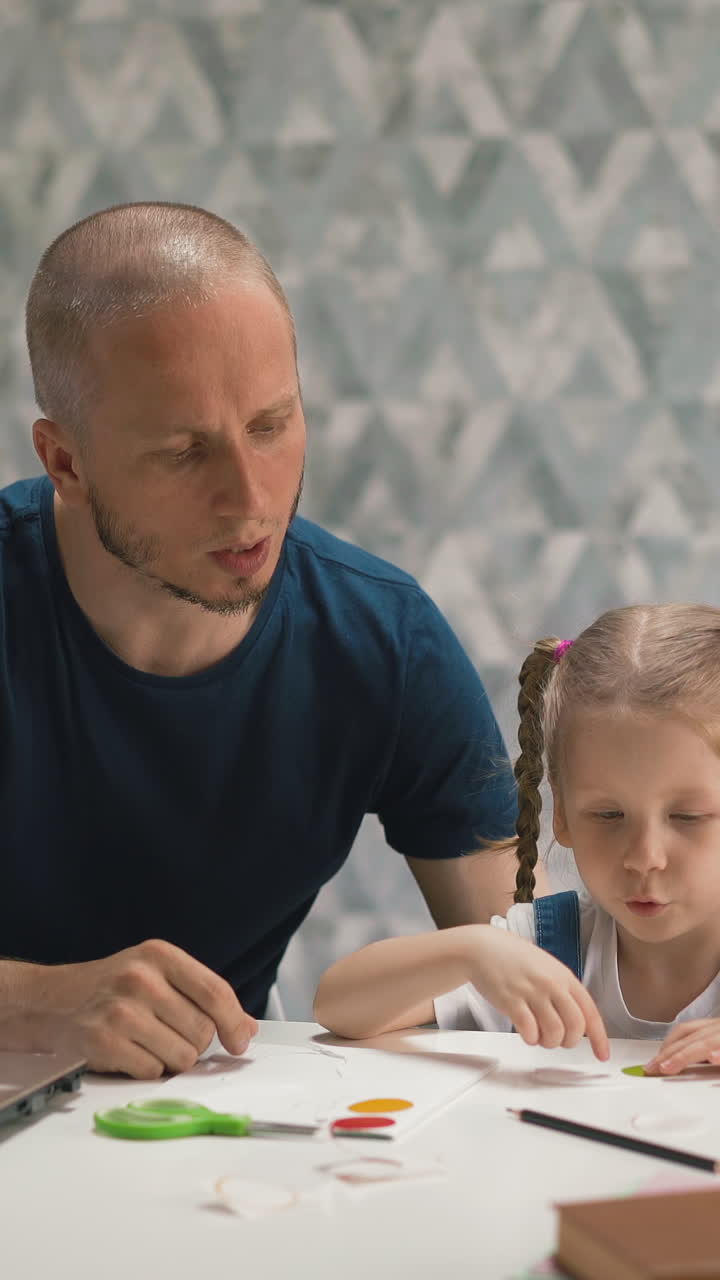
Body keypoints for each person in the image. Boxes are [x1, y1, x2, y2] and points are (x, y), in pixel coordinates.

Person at [0, 201, 525, 1080]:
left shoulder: (384, 642)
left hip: (211, 1118)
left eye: (271, 426)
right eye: (184, 451)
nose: (250, 499)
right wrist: (39, 1005)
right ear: (66, 463)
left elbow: (528, 967)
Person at [315, 603, 720, 1077]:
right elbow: (338, 1008)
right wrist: (471, 951)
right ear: (562, 813)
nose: (644, 857)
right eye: (608, 815)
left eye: (689, 816)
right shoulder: (543, 947)